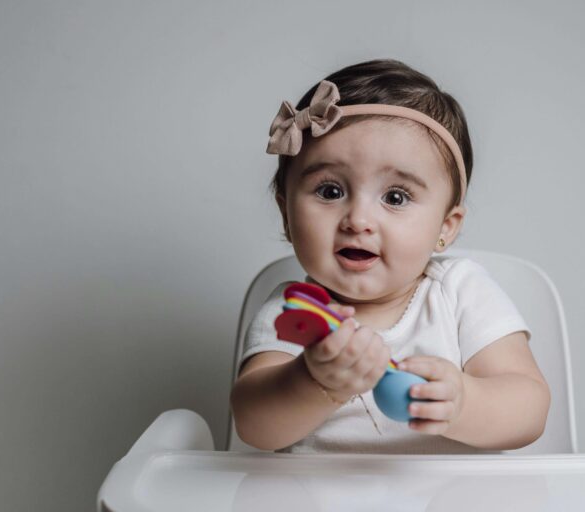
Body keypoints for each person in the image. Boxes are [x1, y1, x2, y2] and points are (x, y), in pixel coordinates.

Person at [230, 59, 550, 454]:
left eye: (395, 197)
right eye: (330, 191)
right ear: (286, 213)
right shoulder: (294, 312)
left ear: (445, 227)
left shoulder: (461, 292)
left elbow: (529, 406)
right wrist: (314, 382)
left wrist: (465, 404)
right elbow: (253, 425)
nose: (359, 220)